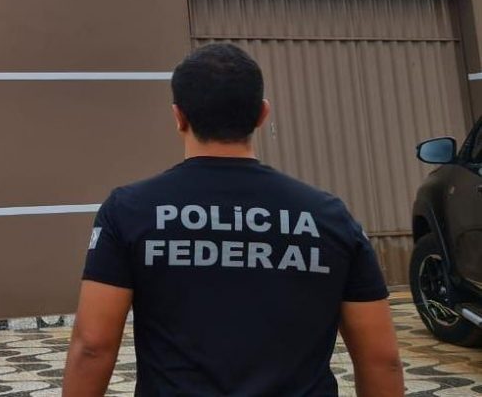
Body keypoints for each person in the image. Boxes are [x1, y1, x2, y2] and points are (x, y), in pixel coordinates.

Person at [61, 43, 403, 397]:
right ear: (262, 114)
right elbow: (381, 361)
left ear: (179, 117)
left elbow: (93, 347)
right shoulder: (329, 216)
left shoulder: (129, 211)